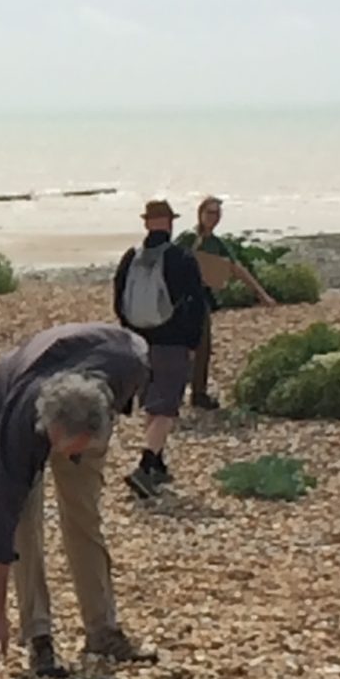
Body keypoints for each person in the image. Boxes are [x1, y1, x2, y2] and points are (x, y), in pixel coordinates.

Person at [0, 322, 158, 678]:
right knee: (23, 524)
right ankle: (38, 636)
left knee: (84, 515)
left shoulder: (130, 365)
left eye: (71, 448)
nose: (60, 454)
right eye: (58, 445)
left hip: (89, 389)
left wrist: (79, 449)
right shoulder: (24, 420)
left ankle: (102, 631)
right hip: (26, 391)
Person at [111, 199, 209, 498]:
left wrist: (130, 334)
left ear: (146, 223)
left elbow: (118, 300)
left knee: (152, 402)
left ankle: (158, 463)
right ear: (170, 222)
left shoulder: (131, 257)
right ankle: (145, 465)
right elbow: (197, 303)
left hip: (139, 342)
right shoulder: (181, 257)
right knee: (166, 406)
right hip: (172, 341)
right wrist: (192, 342)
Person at [182, 195, 277, 409]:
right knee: (178, 347)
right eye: (210, 212)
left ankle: (198, 393)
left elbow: (237, 268)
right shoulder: (187, 238)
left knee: (203, 346)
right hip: (180, 299)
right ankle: (169, 392)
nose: (214, 217)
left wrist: (261, 294)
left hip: (201, 298)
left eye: (217, 213)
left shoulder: (217, 244)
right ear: (200, 214)